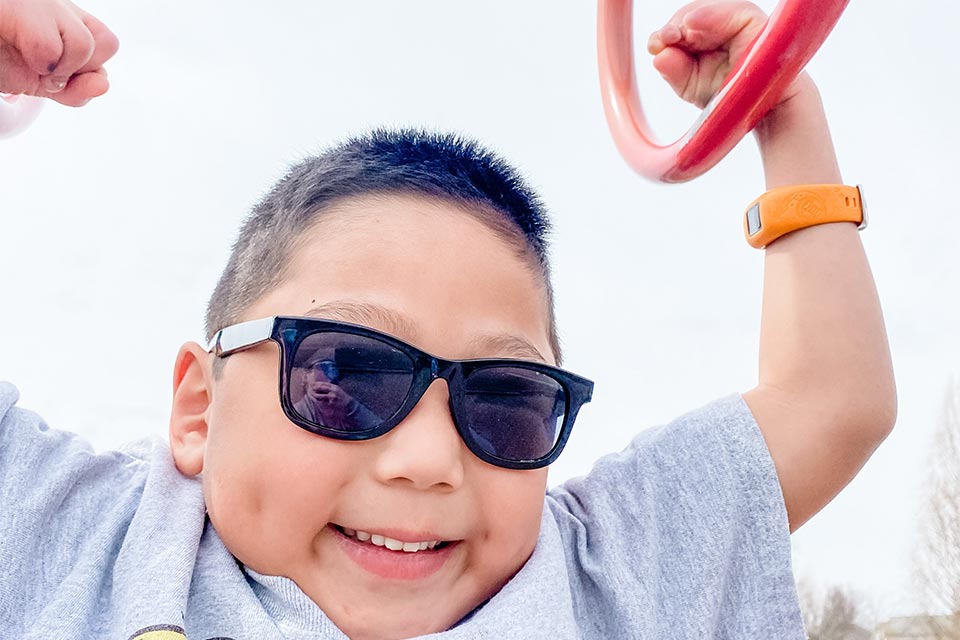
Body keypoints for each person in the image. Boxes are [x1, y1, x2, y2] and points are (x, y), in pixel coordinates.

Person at [0, 0, 896, 638]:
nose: (430, 464)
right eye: (345, 375)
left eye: (505, 404)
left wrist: (780, 109)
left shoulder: (596, 578)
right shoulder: (84, 536)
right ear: (199, 409)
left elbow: (831, 398)